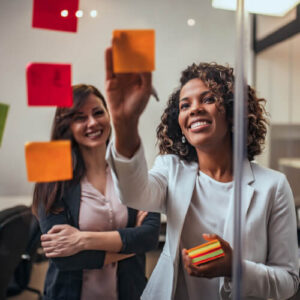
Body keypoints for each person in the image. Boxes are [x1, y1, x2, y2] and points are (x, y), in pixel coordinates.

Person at [104, 47, 299, 300]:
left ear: (231, 113)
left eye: (207, 99)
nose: (194, 109)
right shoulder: (170, 170)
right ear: (181, 124)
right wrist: (124, 122)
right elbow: (133, 193)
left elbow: (288, 281)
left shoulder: (273, 186)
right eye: (185, 105)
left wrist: (234, 268)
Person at [32, 84, 160, 300]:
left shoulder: (129, 169)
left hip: (129, 292)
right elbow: (64, 258)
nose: (92, 123)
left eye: (98, 112)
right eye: (80, 117)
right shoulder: (50, 177)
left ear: (109, 115)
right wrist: (132, 244)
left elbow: (150, 235)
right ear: (67, 126)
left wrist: (82, 240)